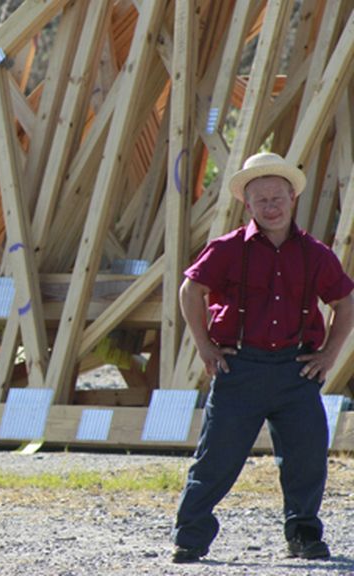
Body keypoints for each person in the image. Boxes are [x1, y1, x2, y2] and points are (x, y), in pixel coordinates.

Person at [171, 152, 354, 564]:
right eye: (261, 200)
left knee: (307, 458)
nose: (271, 207)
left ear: (292, 198)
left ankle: (304, 535)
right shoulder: (228, 249)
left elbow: (345, 302)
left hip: (296, 370)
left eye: (277, 198)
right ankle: (191, 537)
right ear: (247, 205)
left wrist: (328, 356)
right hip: (240, 369)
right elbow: (189, 290)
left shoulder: (315, 254)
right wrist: (204, 347)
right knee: (216, 458)